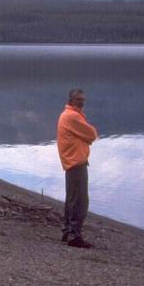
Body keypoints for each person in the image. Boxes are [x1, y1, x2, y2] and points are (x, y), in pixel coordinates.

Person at [57, 88, 98, 248]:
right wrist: (86, 137)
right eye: (79, 99)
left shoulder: (66, 115)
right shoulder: (72, 116)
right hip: (76, 162)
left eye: (83, 100)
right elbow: (92, 133)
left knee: (72, 199)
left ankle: (67, 232)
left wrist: (84, 137)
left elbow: (86, 135)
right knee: (80, 201)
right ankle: (75, 236)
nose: (81, 102)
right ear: (71, 100)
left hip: (71, 162)